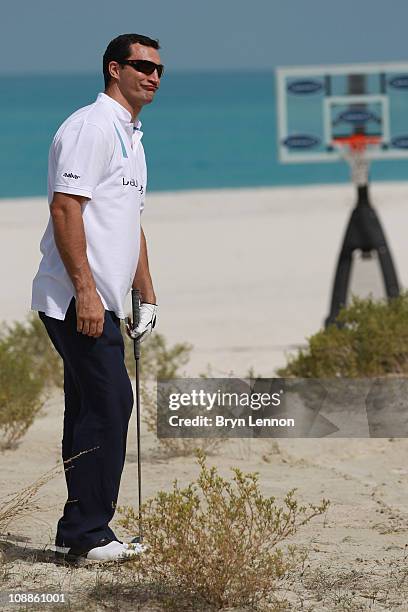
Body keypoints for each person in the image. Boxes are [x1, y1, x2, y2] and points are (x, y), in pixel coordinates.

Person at [31, 33, 162, 563]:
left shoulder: (132, 133)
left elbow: (130, 221)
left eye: (158, 69)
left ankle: (77, 531)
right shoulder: (90, 126)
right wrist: (86, 292)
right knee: (111, 405)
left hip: (107, 297)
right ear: (114, 68)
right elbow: (66, 210)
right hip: (74, 298)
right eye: (141, 66)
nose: (152, 76)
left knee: (89, 409)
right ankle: (89, 534)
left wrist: (145, 290)